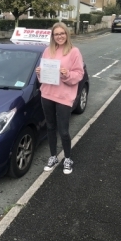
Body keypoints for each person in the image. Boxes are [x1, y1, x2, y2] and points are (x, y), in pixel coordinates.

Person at [36, 22, 84, 174]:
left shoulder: (74, 51)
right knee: (50, 127)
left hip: (64, 95)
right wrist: (39, 72)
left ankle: (68, 158)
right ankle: (53, 156)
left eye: (62, 33)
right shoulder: (47, 51)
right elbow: (42, 77)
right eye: (56, 34)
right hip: (47, 94)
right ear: (53, 36)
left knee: (63, 130)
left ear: (67, 34)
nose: (60, 36)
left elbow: (79, 74)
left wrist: (67, 75)